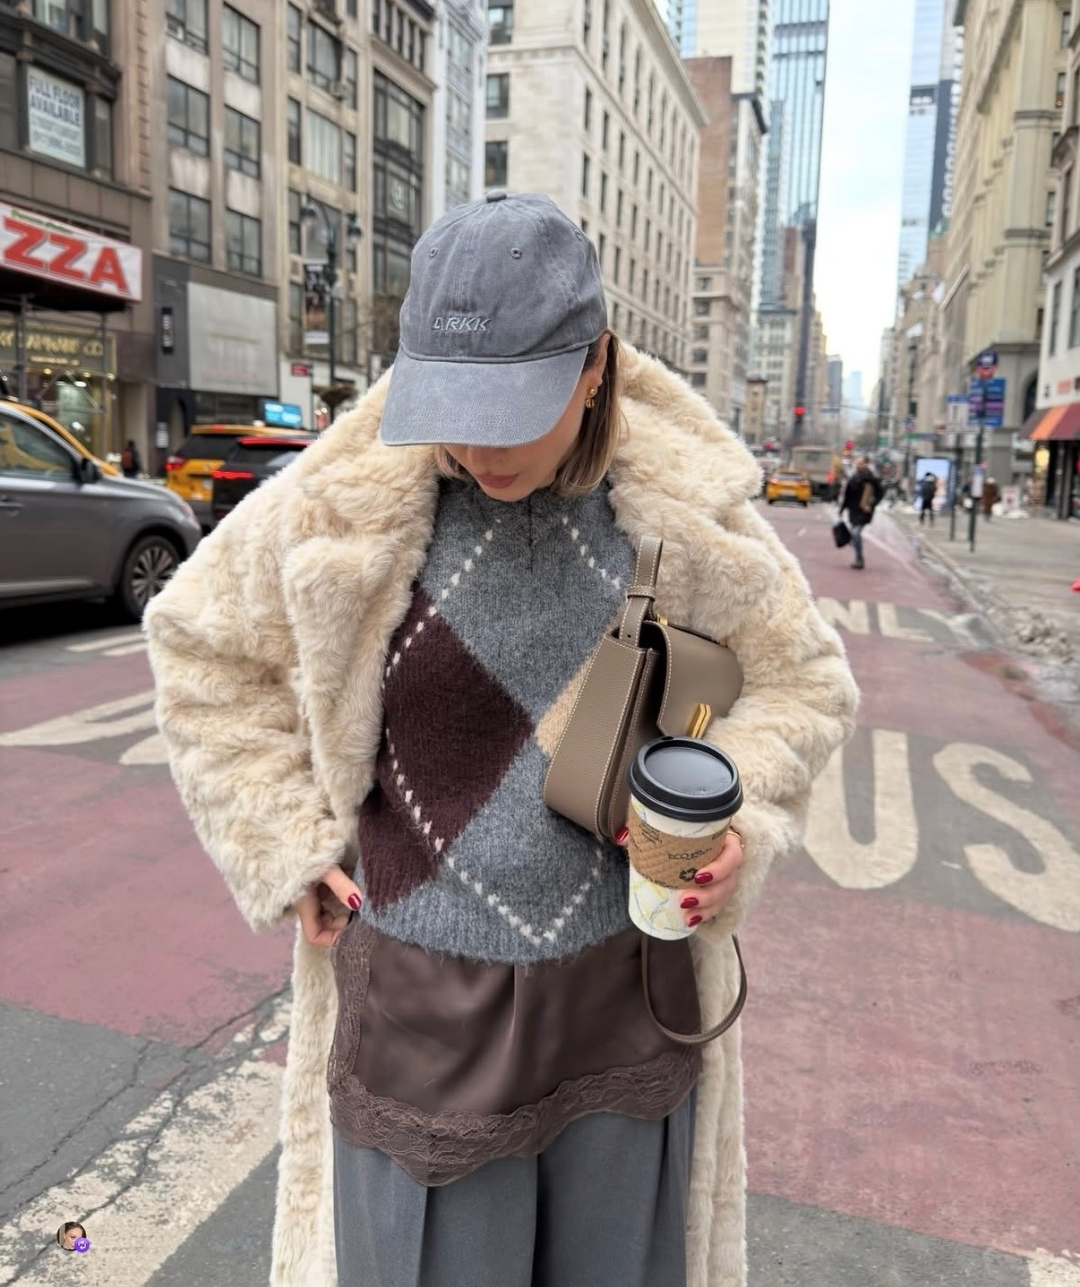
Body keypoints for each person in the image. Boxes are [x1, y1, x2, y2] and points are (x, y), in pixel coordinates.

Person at [145, 192, 858, 1287]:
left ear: (594, 366)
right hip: (420, 1008)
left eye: (511, 408)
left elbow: (803, 682)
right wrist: (285, 841)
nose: (477, 445)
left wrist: (740, 820)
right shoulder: (344, 502)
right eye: (451, 403)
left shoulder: (685, 511)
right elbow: (201, 648)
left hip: (630, 991)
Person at [840, 455, 884, 570]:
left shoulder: (871, 479)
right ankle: (856, 550)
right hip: (853, 511)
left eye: (861, 463)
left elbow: (880, 493)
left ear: (866, 464)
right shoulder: (853, 478)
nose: (858, 466)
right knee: (854, 534)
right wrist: (842, 509)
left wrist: (872, 504)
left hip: (864, 511)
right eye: (857, 463)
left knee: (856, 533)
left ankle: (859, 559)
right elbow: (847, 495)